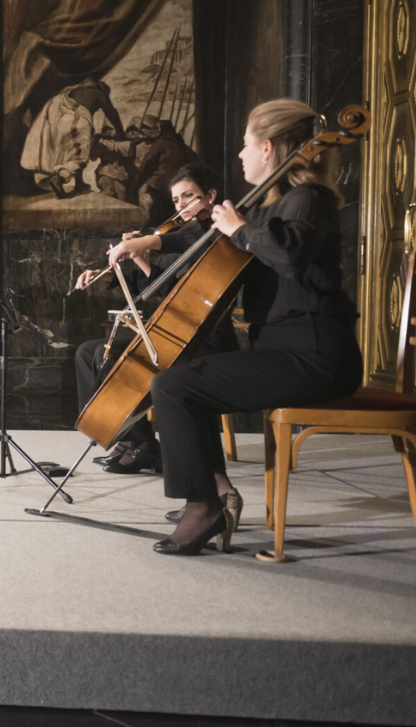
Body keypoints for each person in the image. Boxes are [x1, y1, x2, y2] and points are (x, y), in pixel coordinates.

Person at [113, 99, 362, 556]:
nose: (241, 156)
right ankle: (214, 496)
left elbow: (287, 255)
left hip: (317, 356)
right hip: (287, 352)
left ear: (267, 147)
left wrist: (240, 230)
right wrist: (155, 240)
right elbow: (205, 235)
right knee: (187, 379)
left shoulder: (310, 199)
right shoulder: (273, 205)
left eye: (245, 146)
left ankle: (204, 507)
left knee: (174, 386)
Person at [74, 164, 239, 475]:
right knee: (87, 352)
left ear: (211, 196)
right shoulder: (180, 236)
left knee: (106, 354)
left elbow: (192, 237)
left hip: (206, 338)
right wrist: (131, 260)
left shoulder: (217, 230)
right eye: (176, 200)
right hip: (177, 328)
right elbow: (164, 289)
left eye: (189, 197)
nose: (181, 207)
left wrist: (146, 242)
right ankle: (130, 439)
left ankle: (140, 445)